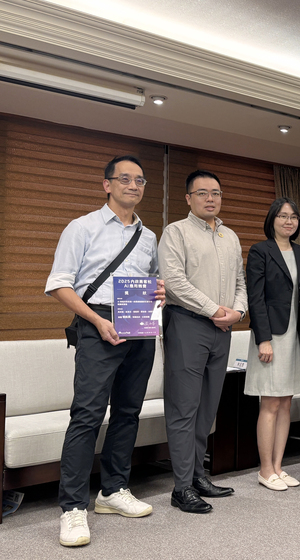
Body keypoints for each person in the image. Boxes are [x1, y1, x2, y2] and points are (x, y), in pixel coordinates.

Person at [46, 155, 164, 547]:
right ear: (107, 185)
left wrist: (158, 292)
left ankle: (113, 491)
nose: (134, 186)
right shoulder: (82, 227)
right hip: (97, 323)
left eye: (140, 180)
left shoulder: (149, 236)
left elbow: (150, 281)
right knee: (87, 415)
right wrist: (96, 321)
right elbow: (60, 284)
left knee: (129, 411)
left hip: (139, 324)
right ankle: (73, 508)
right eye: (125, 179)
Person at [158, 169, 248, 513]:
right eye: (202, 193)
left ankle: (197, 476)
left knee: (207, 409)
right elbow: (173, 281)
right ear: (188, 198)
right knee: (184, 408)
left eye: (216, 193)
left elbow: (240, 281)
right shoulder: (175, 232)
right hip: (187, 324)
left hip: (223, 329)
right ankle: (181, 487)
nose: (211, 198)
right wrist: (214, 310)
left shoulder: (230, 236)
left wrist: (237, 312)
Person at [244, 198, 300, 491]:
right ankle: (264, 468)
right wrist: (263, 338)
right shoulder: (260, 251)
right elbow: (255, 298)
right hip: (271, 336)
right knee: (269, 402)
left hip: (294, 335)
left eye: (293, 217)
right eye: (282, 216)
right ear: (272, 220)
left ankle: (279, 467)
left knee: (285, 403)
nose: (288, 221)